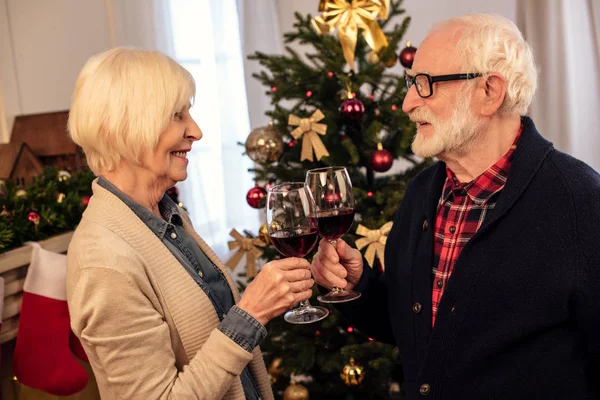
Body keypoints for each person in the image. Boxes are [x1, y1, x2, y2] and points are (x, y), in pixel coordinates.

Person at [311, 13, 600, 399]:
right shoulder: (421, 194)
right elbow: (412, 331)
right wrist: (356, 284)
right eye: (411, 83)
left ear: (489, 92)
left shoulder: (581, 202)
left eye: (425, 84)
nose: (408, 102)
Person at [66, 47, 314, 400]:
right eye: (176, 115)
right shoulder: (104, 262)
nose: (195, 131)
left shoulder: (168, 216)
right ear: (123, 127)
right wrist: (251, 314)